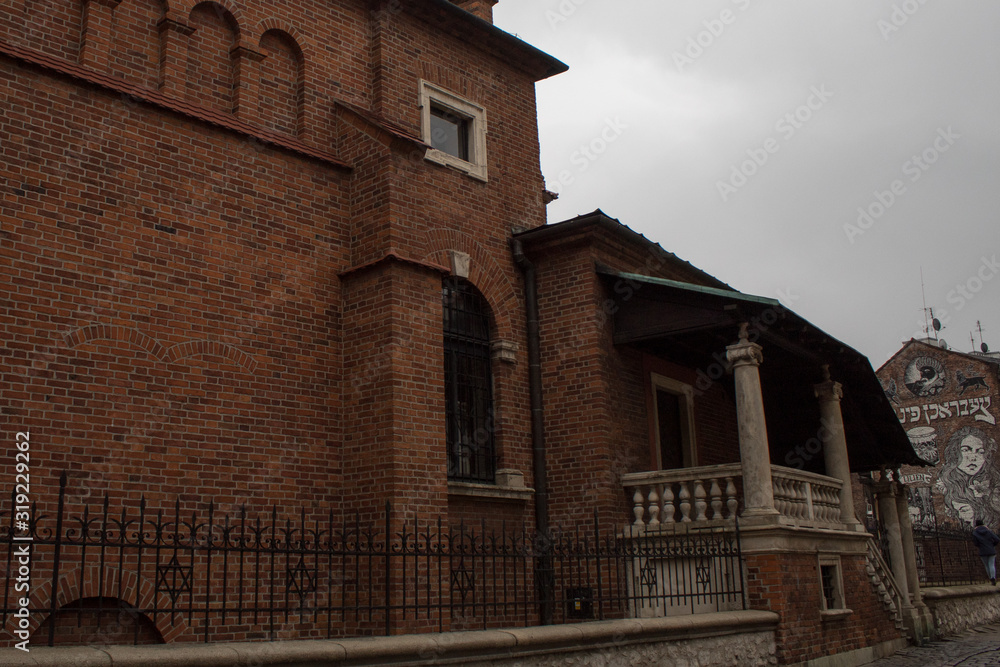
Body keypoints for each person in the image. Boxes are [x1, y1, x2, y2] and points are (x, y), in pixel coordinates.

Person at [971, 518, 1000, 585]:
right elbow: (997, 539)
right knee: (992, 565)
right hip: (991, 549)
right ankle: (993, 577)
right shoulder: (988, 531)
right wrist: (992, 545)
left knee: (986, 565)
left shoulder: (975, 533)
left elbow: (975, 543)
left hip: (982, 551)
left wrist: (980, 546)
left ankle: (990, 578)